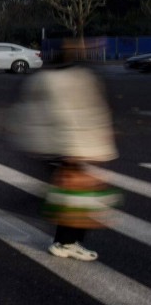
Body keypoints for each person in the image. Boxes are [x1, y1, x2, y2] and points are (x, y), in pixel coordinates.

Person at [14, 38, 119, 261]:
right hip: (68, 148)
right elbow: (68, 116)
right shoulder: (69, 78)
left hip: (53, 146)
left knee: (73, 197)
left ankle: (66, 240)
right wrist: (74, 153)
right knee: (77, 198)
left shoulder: (47, 77)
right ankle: (66, 242)